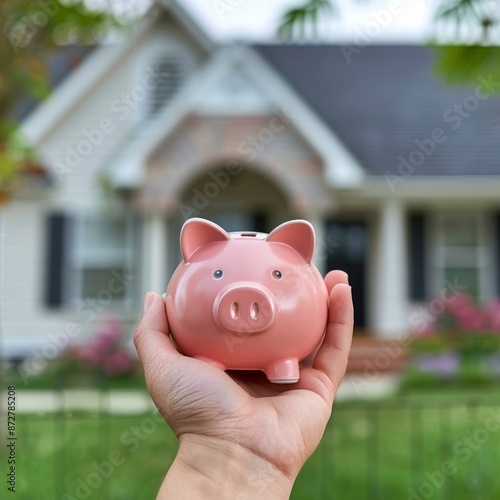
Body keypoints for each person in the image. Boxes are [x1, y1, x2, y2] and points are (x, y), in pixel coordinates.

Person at [134, 270, 353, 499]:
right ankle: (275, 363)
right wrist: (222, 440)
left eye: (278, 274)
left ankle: (282, 363)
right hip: (208, 354)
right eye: (217, 273)